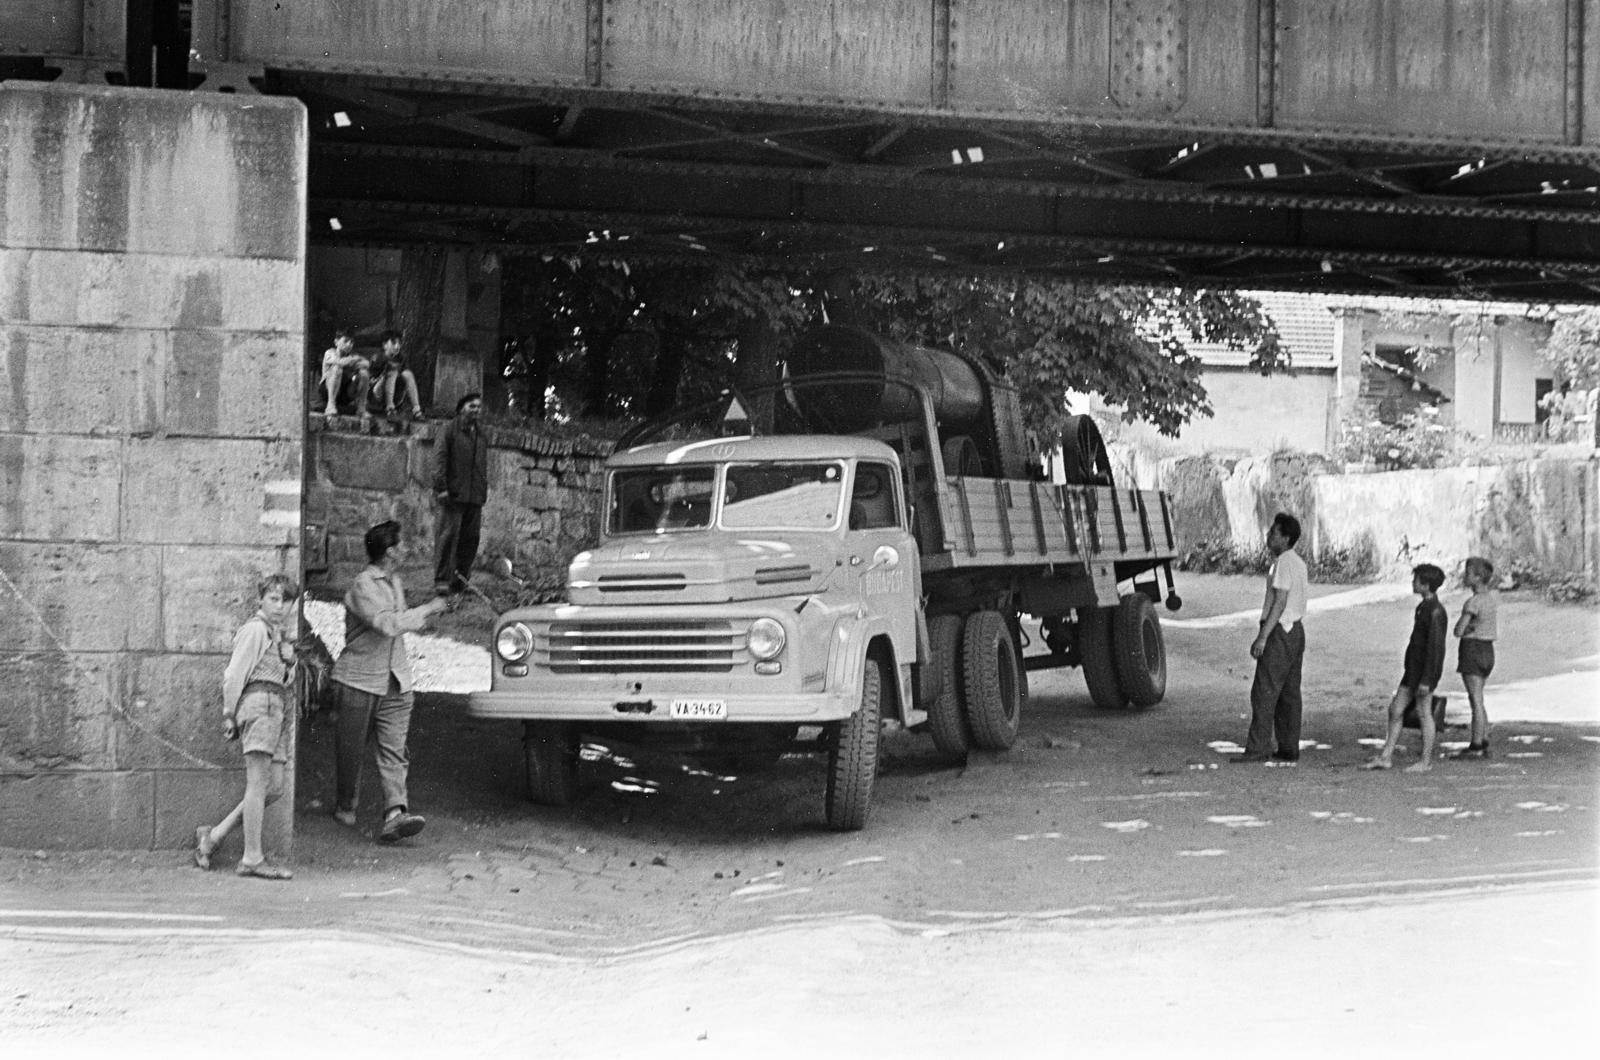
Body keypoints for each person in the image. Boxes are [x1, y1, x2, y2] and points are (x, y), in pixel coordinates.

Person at [330, 520, 449, 843]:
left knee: (395, 751)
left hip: (396, 680)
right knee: (350, 751)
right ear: (390, 551)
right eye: (401, 544)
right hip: (358, 679)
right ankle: (345, 806)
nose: (407, 549)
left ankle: (395, 814)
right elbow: (386, 624)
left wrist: (433, 612)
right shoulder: (363, 584)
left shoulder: (395, 581)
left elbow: (402, 622)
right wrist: (429, 608)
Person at [194, 574, 300, 880]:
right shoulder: (255, 630)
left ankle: (213, 837)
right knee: (257, 783)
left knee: (274, 786)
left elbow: (283, 679)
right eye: (274, 599)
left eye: (286, 601)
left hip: (275, 708)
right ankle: (252, 858)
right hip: (259, 705)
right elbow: (234, 675)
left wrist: (290, 662)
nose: (280, 606)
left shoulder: (275, 635)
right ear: (261, 600)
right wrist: (229, 713)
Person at [1236, 511, 1309, 765]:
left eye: (1274, 533)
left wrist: (1262, 637)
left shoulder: (1283, 563)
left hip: (1279, 629)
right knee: (1290, 693)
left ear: (1285, 538)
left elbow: (1279, 602)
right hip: (1295, 630)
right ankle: (1289, 746)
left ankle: (1258, 748)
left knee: (1264, 692)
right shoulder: (1298, 563)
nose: (1269, 536)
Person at [1363, 563, 1450, 772]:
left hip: (1422, 673)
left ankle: (1425, 761)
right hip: (1413, 671)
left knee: (1424, 713)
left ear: (1426, 585)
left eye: (1416, 580)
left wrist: (1427, 680)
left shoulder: (1435, 611)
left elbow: (1435, 649)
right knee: (1395, 710)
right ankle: (1386, 756)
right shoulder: (1425, 608)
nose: (1413, 583)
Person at [433, 392, 488, 598]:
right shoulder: (448, 430)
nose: (476, 410)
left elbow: (481, 465)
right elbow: (439, 460)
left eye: (478, 407)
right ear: (461, 408)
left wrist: (482, 490)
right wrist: (441, 488)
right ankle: (442, 580)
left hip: (474, 496)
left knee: (470, 540)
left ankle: (461, 581)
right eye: (472, 406)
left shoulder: (481, 435)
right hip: (453, 494)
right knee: (447, 538)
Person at [1449, 556, 1499, 759]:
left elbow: (1458, 630)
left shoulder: (1473, 602)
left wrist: (1466, 627)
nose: (1465, 576)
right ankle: (1483, 738)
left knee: (1475, 700)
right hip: (1488, 649)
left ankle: (1476, 744)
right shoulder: (1491, 600)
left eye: (1468, 573)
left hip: (1473, 649)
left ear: (1477, 577)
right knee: (1479, 697)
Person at [372, 329, 424, 419]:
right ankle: (390, 409)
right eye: (393, 343)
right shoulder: (378, 358)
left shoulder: (401, 358)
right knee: (392, 371)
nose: (397, 347)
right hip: (377, 397)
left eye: (399, 343)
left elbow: (405, 377)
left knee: (408, 374)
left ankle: (416, 410)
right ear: (384, 345)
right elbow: (371, 382)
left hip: (395, 396)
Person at [320, 327, 371, 419]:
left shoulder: (352, 356)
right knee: (337, 368)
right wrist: (352, 360)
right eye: (346, 341)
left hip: (345, 393)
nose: (349, 344)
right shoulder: (330, 352)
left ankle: (361, 408)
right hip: (328, 391)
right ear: (336, 342)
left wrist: (353, 361)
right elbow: (339, 362)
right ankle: (330, 405)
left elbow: (367, 364)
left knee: (364, 373)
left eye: (351, 342)